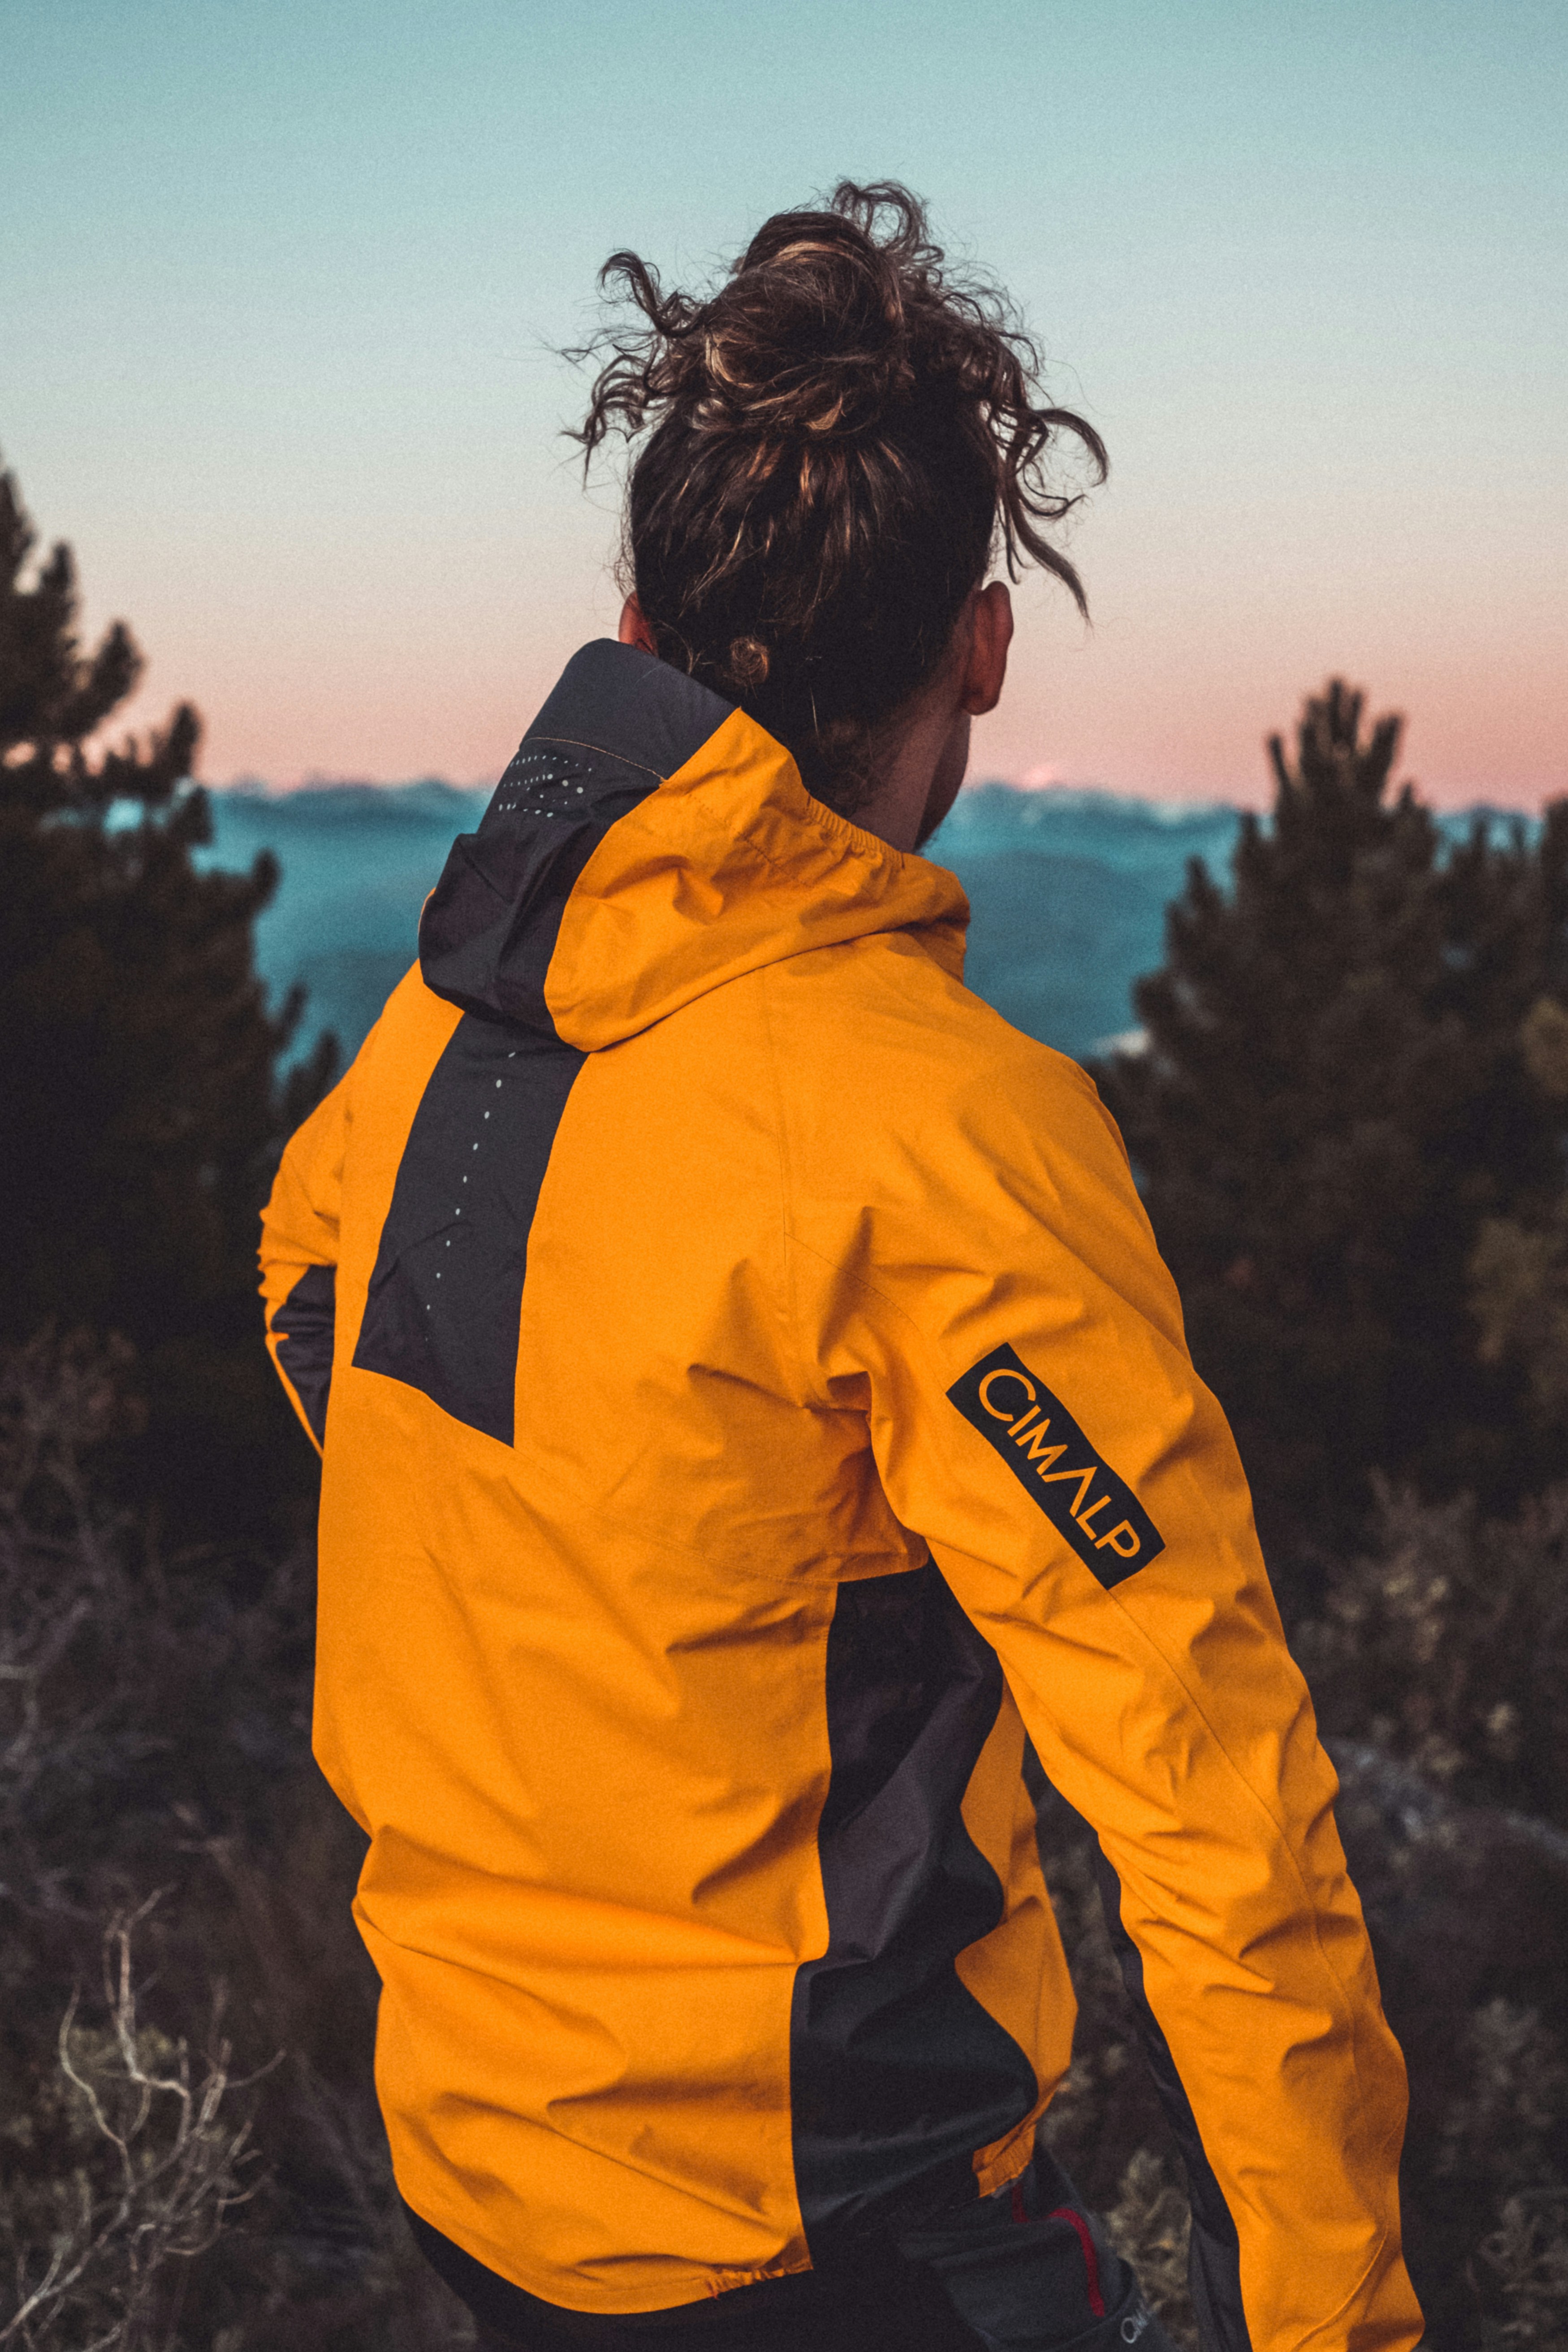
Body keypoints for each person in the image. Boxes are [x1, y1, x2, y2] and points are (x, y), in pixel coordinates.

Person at [259, 184, 1423, 2352]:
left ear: (636, 614)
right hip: (830, 2232)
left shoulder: (437, 1024)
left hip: (484, 2163)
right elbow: (1208, 1808)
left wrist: (608, 1580)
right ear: (978, 646)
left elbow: (303, 1296)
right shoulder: (941, 1131)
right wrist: (1336, 2316)